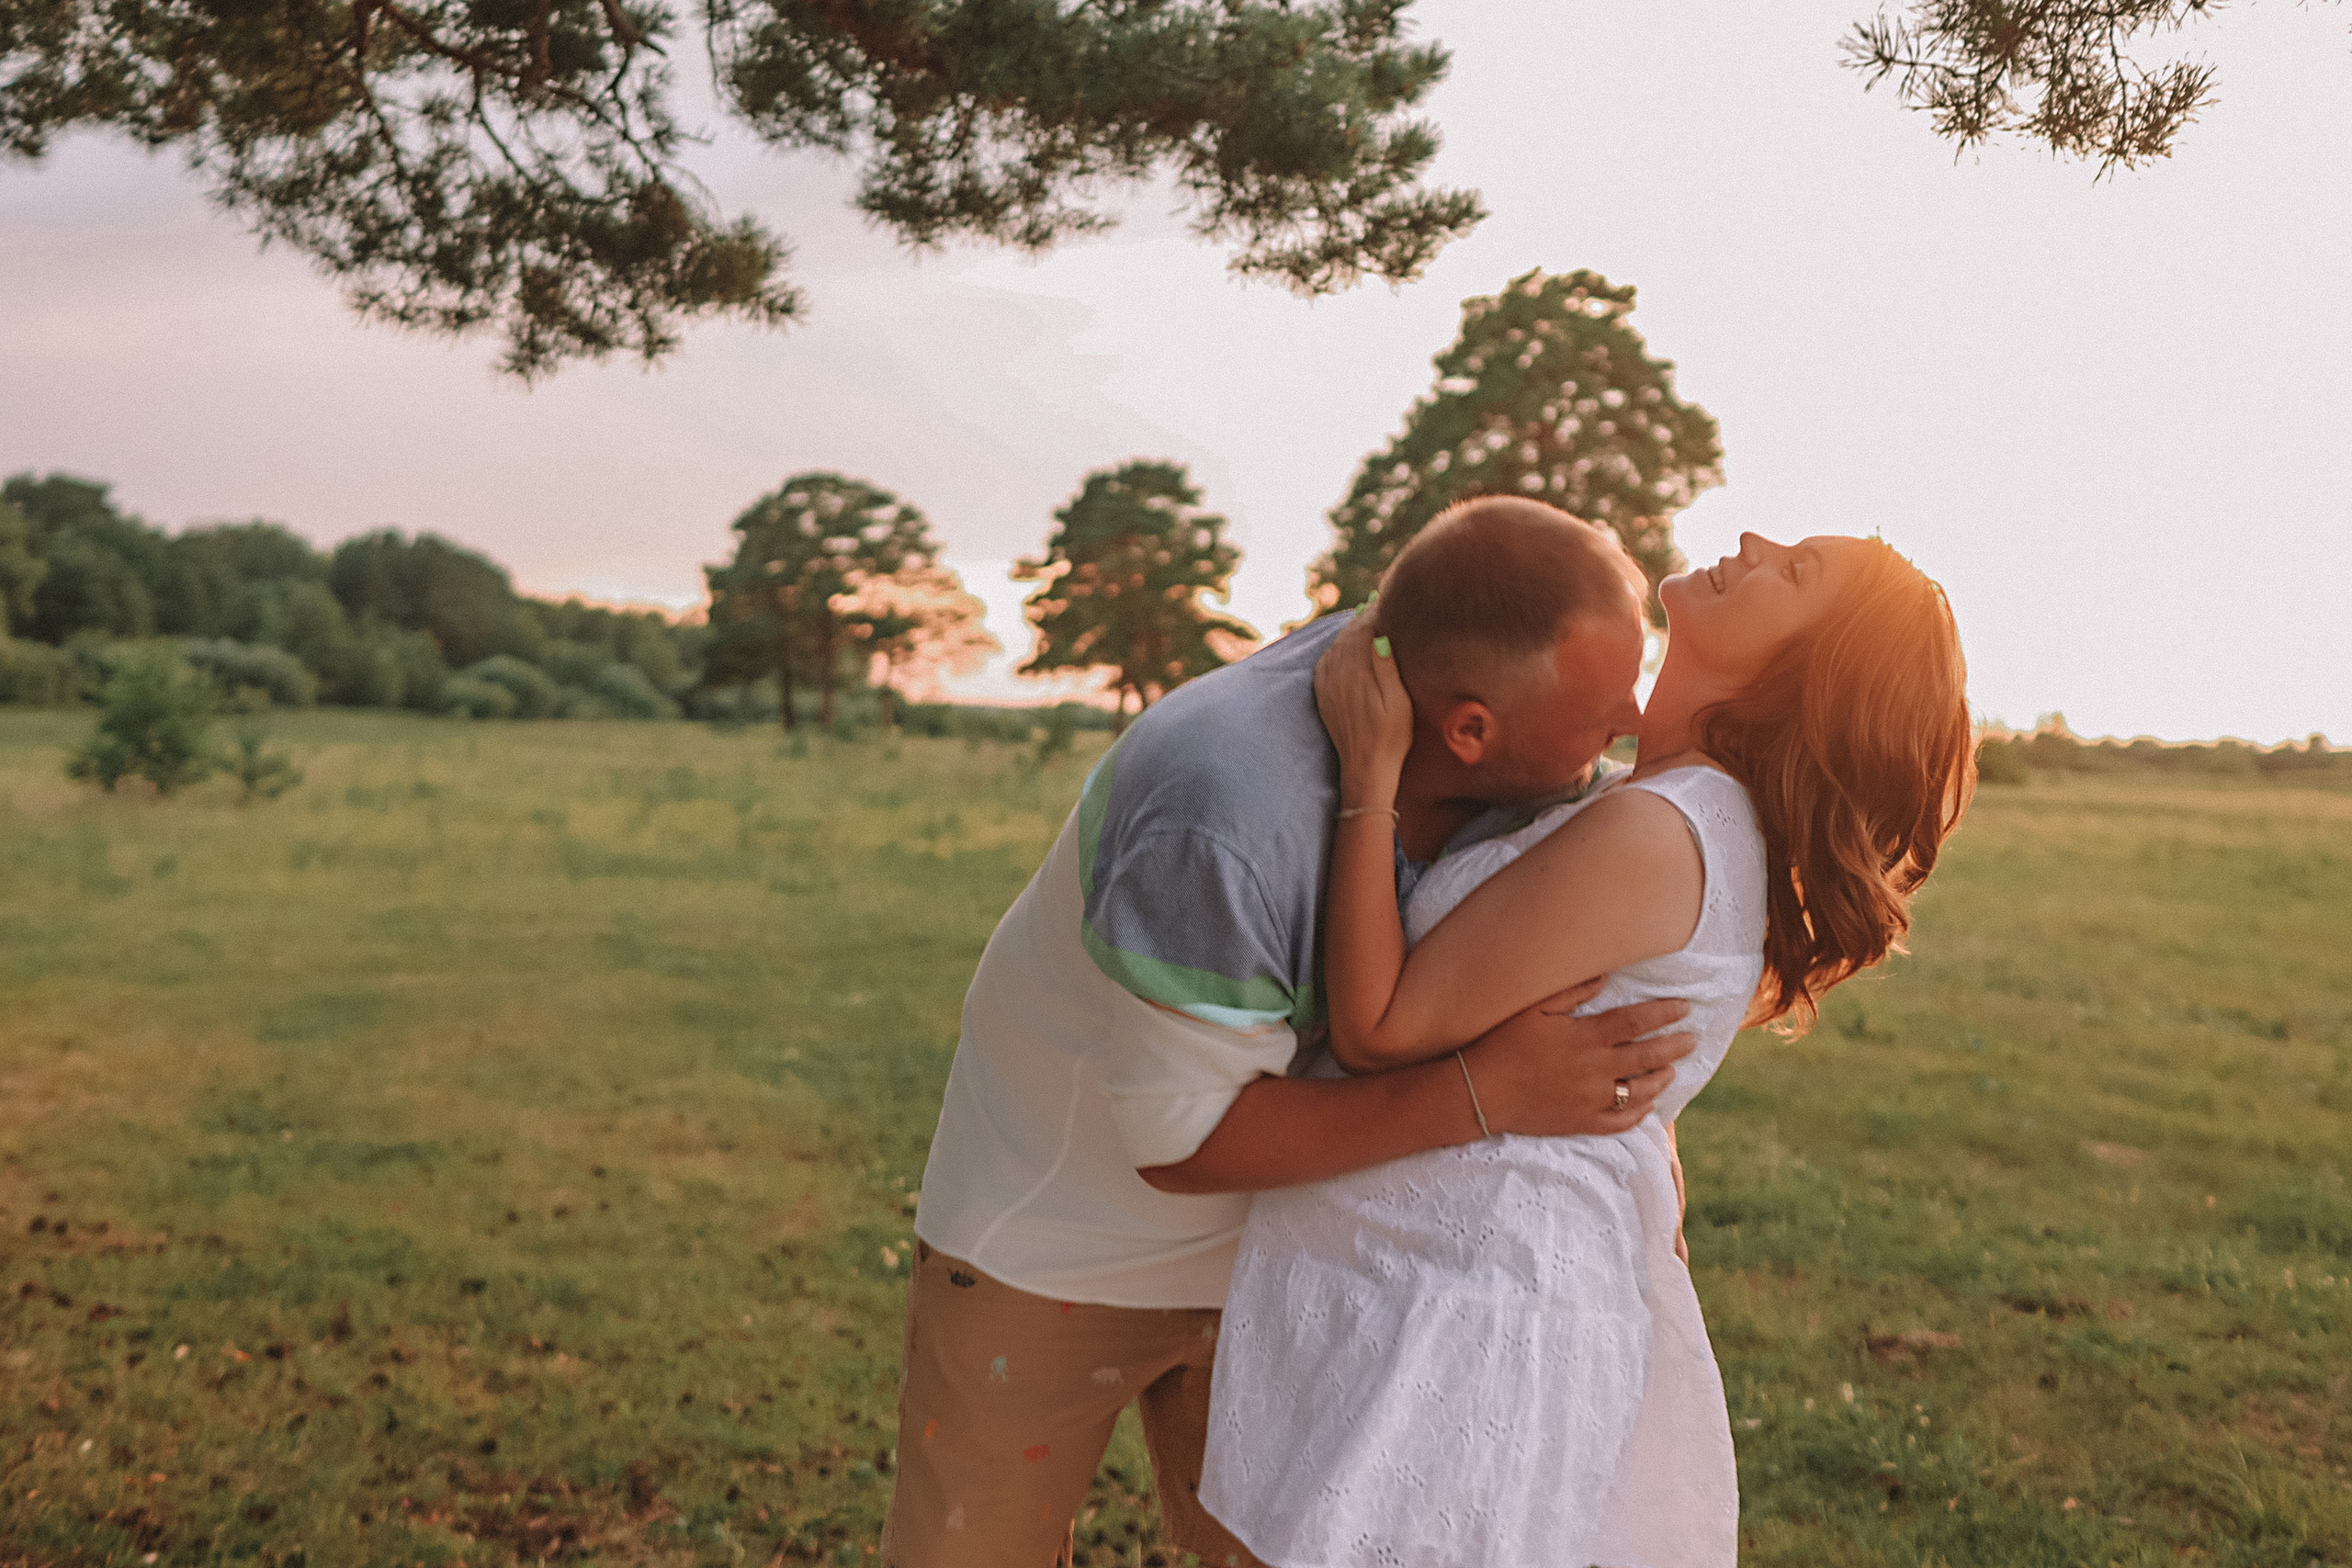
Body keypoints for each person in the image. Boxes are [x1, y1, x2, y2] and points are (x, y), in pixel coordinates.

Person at [881, 499, 1697, 1568]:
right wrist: (1487, 1092)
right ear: (1469, 729)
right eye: (1603, 704)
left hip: (1301, 1251)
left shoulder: (1525, 770)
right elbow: (1182, 1144)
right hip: (1059, 1243)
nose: (1631, 723)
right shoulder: (1221, 809)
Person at [1202, 532, 1975, 1567]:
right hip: (1422, 1270)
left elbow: (1380, 1025)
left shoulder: (1664, 829)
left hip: (1450, 1303)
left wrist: (1369, 775)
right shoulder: (1657, 801)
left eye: (1794, 572)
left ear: (1806, 674)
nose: (1753, 541)